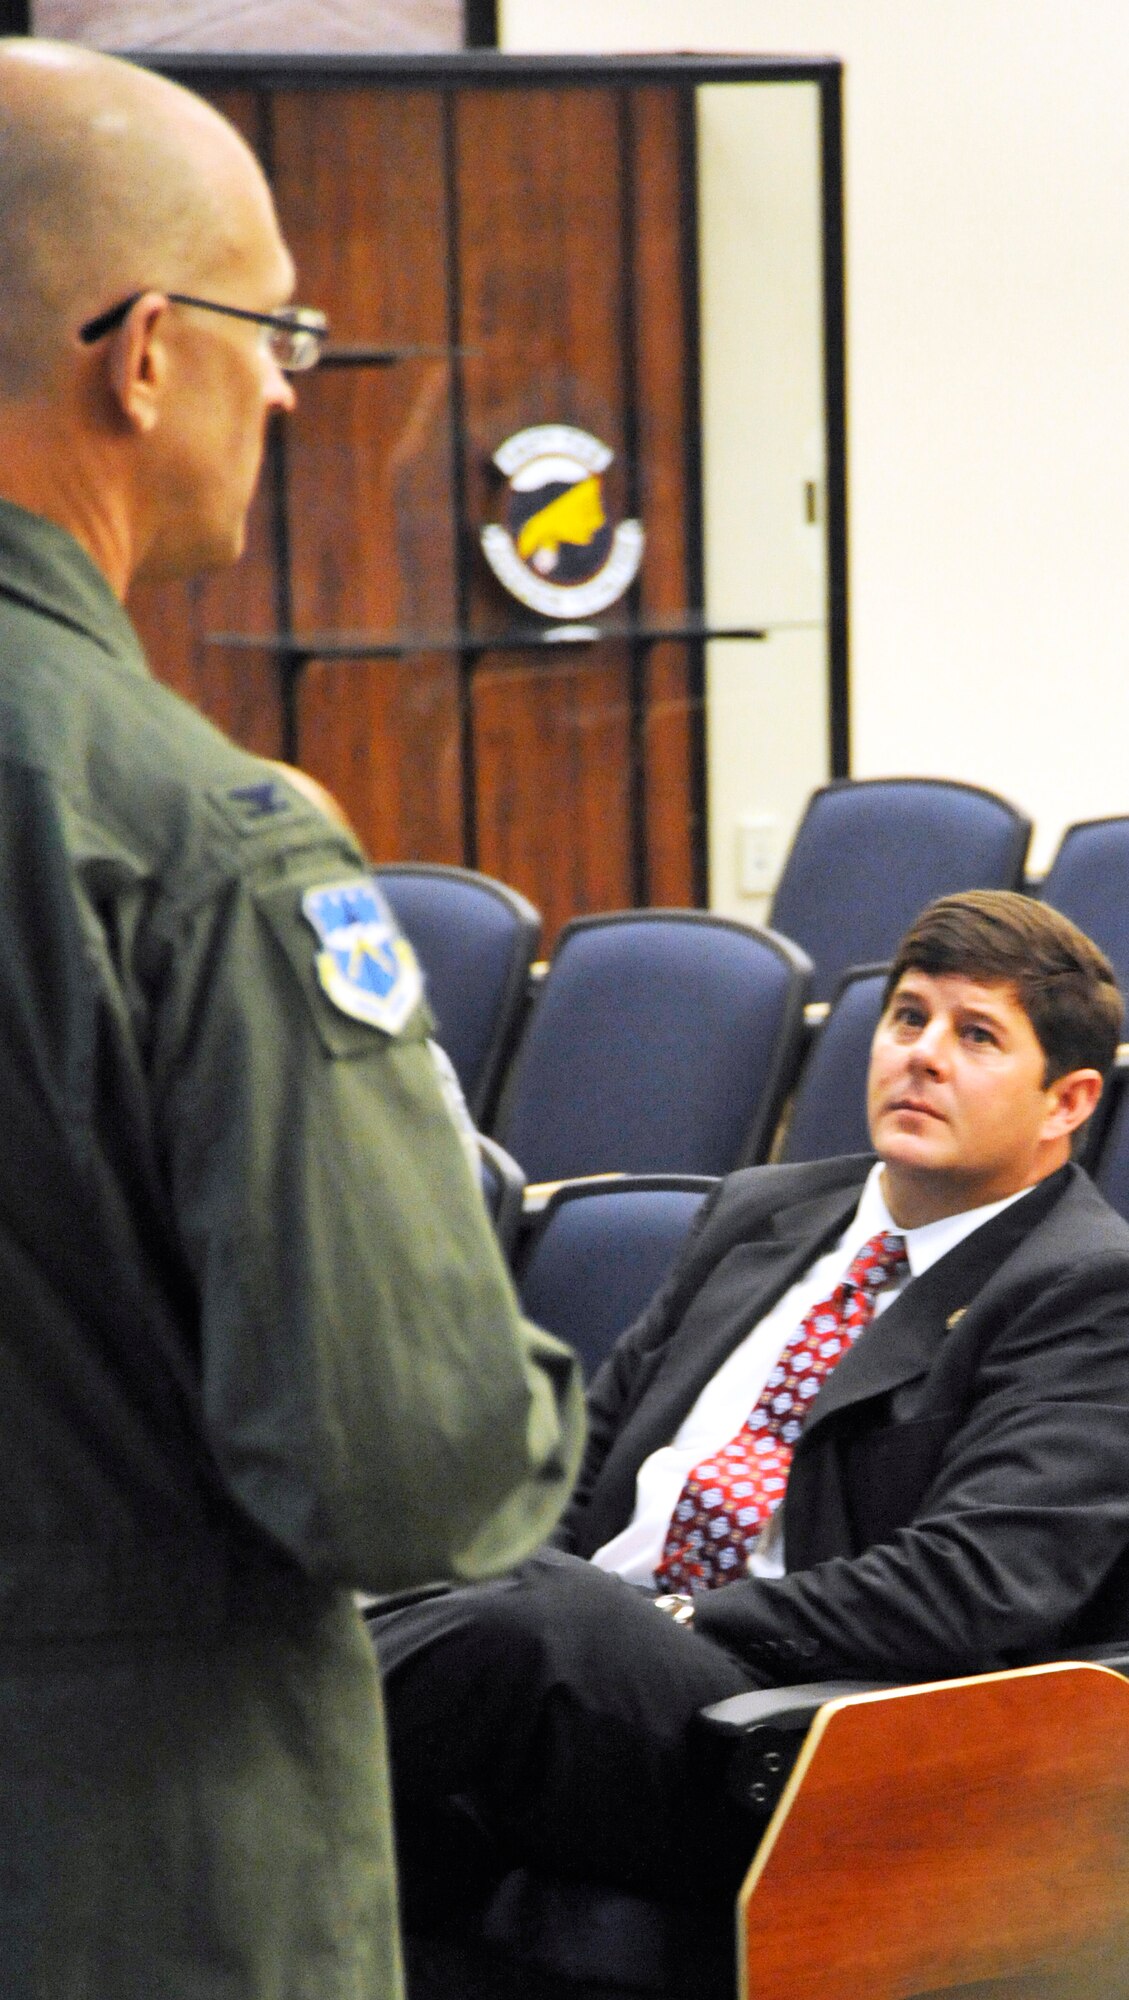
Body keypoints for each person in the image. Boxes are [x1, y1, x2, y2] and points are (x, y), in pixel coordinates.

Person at [0, 38, 584, 2000]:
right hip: (130, 1864)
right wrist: (533, 1384)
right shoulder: (193, 838)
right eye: (275, 333)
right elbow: (396, 1462)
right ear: (144, 350)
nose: (285, 385)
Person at [372, 889, 1129, 1918]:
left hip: (801, 1731)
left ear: (1067, 1102)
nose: (922, 1055)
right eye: (908, 1017)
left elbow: (969, 1586)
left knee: (534, 1619)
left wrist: (676, 1614)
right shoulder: (759, 1211)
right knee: (402, 1563)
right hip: (593, 1657)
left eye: (976, 1035)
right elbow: (581, 1463)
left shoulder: (1087, 1288)